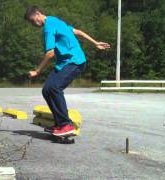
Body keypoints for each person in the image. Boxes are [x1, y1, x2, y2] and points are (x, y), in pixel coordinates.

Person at [25, 6, 110, 136]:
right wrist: (95, 43)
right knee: (47, 90)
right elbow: (78, 32)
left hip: (74, 61)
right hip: (65, 63)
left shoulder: (48, 27)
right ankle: (59, 124)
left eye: (32, 21)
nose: (33, 24)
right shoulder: (55, 20)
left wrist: (37, 71)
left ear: (38, 14)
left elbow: (50, 53)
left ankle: (66, 125)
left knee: (54, 88)